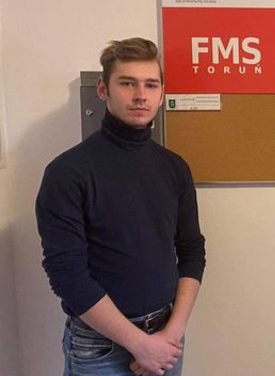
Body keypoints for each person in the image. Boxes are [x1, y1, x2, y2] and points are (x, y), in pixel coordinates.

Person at [36, 38, 206, 376]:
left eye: (150, 84)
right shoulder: (68, 172)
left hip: (167, 335)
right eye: (127, 83)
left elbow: (191, 250)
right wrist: (139, 344)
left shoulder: (174, 168)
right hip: (99, 348)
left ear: (161, 93)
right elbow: (67, 274)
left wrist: (170, 335)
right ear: (103, 89)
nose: (141, 95)